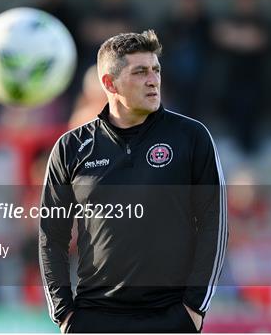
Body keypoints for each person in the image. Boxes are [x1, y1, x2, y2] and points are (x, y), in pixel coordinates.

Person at [39, 30, 227, 333]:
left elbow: (214, 225)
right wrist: (63, 314)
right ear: (109, 83)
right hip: (94, 317)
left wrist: (194, 307)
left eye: (156, 70)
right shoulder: (70, 147)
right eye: (140, 72)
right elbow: (51, 236)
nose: (153, 79)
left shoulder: (192, 137)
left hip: (170, 315)